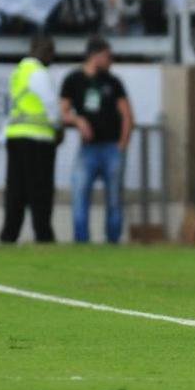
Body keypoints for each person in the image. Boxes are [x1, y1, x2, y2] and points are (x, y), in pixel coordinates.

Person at [60, 37, 133, 244]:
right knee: (80, 196)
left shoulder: (113, 82)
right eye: (108, 56)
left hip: (112, 148)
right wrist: (78, 120)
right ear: (96, 56)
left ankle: (113, 241)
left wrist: (122, 145)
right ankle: (82, 242)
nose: (111, 61)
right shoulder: (73, 80)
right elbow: (63, 113)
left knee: (114, 199)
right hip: (88, 149)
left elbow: (127, 115)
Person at [0, 34, 62, 244]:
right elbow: (51, 104)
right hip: (38, 139)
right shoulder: (38, 72)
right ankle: (43, 235)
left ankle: (9, 235)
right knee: (40, 191)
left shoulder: (19, 71)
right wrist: (57, 128)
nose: (52, 58)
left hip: (16, 136)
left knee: (15, 190)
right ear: (44, 51)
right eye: (51, 52)